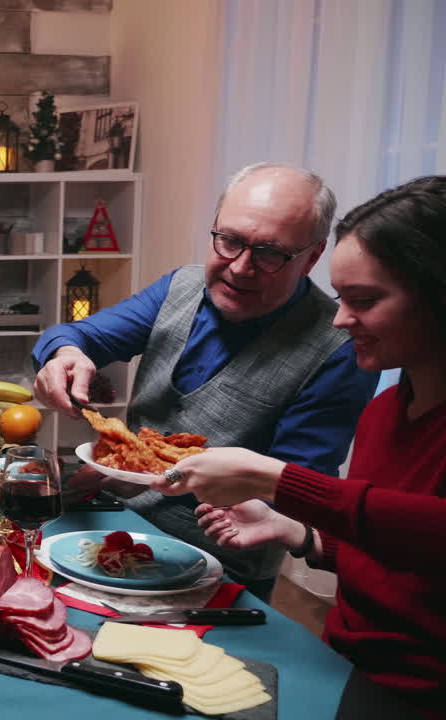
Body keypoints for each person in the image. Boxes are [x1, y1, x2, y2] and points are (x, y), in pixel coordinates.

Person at [157, 176, 446, 717]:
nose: (339, 319)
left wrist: (273, 480)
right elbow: (400, 560)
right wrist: (298, 533)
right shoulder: (385, 412)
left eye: (364, 301)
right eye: (341, 299)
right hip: (336, 664)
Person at [32, 163, 380, 599]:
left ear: (311, 257)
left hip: (220, 569)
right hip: (114, 529)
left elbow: (295, 491)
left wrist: (166, 477)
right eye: (229, 240)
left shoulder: (339, 347)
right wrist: (65, 356)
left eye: (270, 253)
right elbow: (75, 335)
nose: (240, 267)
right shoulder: (181, 286)